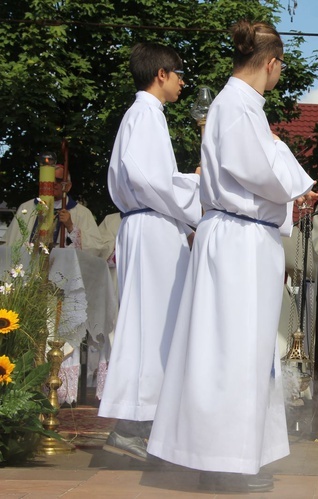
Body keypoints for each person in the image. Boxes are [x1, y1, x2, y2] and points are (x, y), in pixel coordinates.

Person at [147, 21, 315, 494]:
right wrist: (296, 187)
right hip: (238, 241)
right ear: (272, 63)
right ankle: (224, 463)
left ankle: (230, 455)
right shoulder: (237, 105)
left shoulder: (239, 104)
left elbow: (265, 160)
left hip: (245, 238)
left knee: (243, 350)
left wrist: (290, 183)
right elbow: (256, 168)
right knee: (233, 351)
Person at [98, 42, 201, 461]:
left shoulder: (146, 115)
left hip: (155, 223)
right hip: (151, 223)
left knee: (160, 322)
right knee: (151, 323)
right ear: (161, 74)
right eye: (178, 74)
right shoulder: (143, 114)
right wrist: (197, 185)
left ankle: (147, 423)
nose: (182, 82)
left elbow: (153, 178)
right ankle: (132, 425)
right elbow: (149, 180)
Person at [5, 165, 104, 255]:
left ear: (68, 186)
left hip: (60, 268)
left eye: (58, 180)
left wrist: (70, 227)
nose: (53, 183)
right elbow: (9, 242)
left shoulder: (82, 213)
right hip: (29, 266)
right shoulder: (26, 208)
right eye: (50, 179)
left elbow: (95, 248)